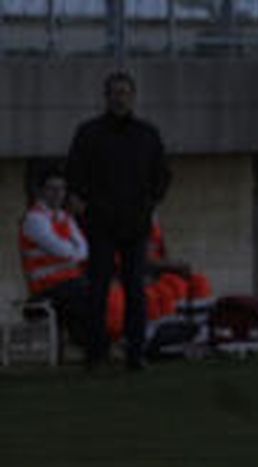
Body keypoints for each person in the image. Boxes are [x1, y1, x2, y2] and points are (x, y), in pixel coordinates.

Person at [65, 70, 170, 371]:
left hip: (135, 225)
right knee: (98, 290)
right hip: (100, 224)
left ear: (133, 96)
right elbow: (75, 172)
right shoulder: (89, 134)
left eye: (125, 92)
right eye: (115, 92)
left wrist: (149, 203)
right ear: (106, 97)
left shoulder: (147, 135)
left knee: (136, 291)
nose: (120, 98)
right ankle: (96, 354)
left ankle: (135, 354)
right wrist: (83, 203)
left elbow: (161, 175)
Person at [17, 166, 95, 347]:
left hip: (69, 282)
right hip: (46, 286)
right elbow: (59, 249)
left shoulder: (64, 217)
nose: (58, 194)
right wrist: (73, 251)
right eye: (52, 188)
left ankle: (94, 343)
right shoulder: (34, 219)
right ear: (41, 191)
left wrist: (72, 252)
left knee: (98, 288)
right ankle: (89, 344)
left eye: (62, 189)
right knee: (84, 293)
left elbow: (85, 250)